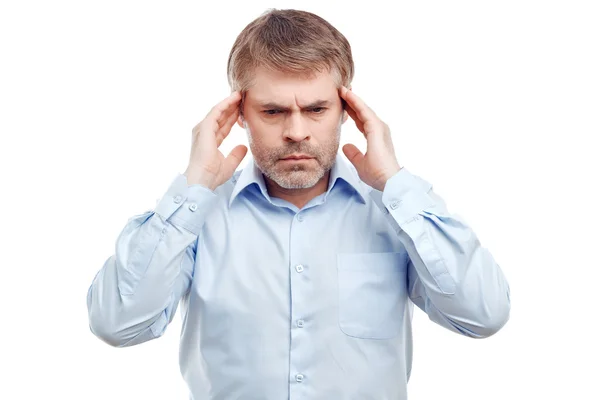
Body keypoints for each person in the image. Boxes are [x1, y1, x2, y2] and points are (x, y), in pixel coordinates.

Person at [86, 8, 511, 400]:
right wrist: (191, 186)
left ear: (347, 109)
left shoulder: (396, 212)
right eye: (272, 111)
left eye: (316, 109)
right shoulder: (197, 217)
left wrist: (395, 184)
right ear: (239, 113)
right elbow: (118, 325)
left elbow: (483, 314)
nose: (295, 131)